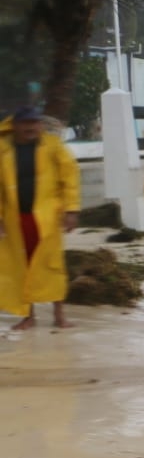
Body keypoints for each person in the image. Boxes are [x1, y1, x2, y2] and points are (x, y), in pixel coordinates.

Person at [0, 106, 80, 331]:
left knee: (52, 265)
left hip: (48, 218)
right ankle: (28, 316)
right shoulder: (3, 149)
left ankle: (59, 315)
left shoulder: (53, 147)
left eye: (35, 123)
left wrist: (71, 210)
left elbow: (70, 177)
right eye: (26, 123)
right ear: (15, 126)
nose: (31, 127)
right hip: (15, 219)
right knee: (21, 266)